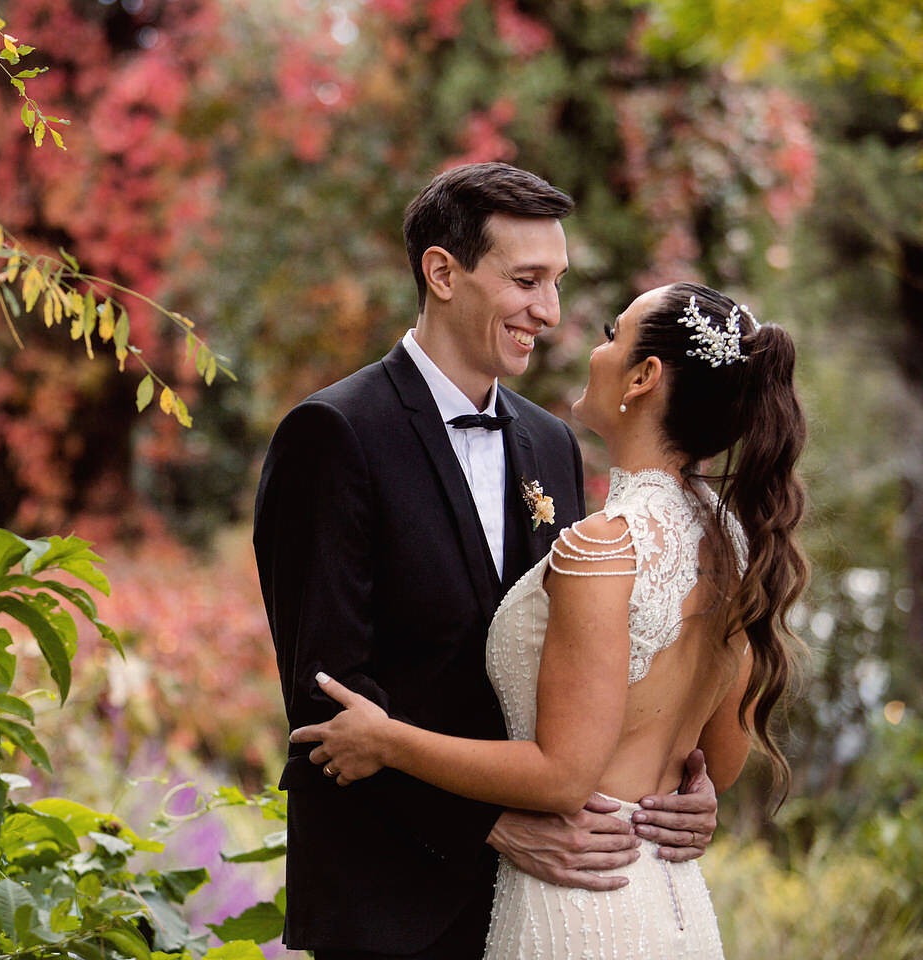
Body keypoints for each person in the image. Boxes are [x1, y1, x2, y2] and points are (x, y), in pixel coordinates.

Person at [253, 162, 722, 960]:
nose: (551, 311)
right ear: (443, 272)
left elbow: (581, 661)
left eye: (558, 281)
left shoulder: (552, 444)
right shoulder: (332, 435)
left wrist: (680, 776)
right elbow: (325, 699)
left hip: (545, 904)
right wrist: (493, 825)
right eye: (527, 280)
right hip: (393, 904)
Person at [289, 280, 809, 957]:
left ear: (644, 378)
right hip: (669, 904)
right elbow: (723, 760)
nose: (590, 344)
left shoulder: (607, 545)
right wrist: (693, 791)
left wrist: (387, 740)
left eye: (612, 335)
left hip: (579, 910)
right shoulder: (733, 543)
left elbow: (563, 776)